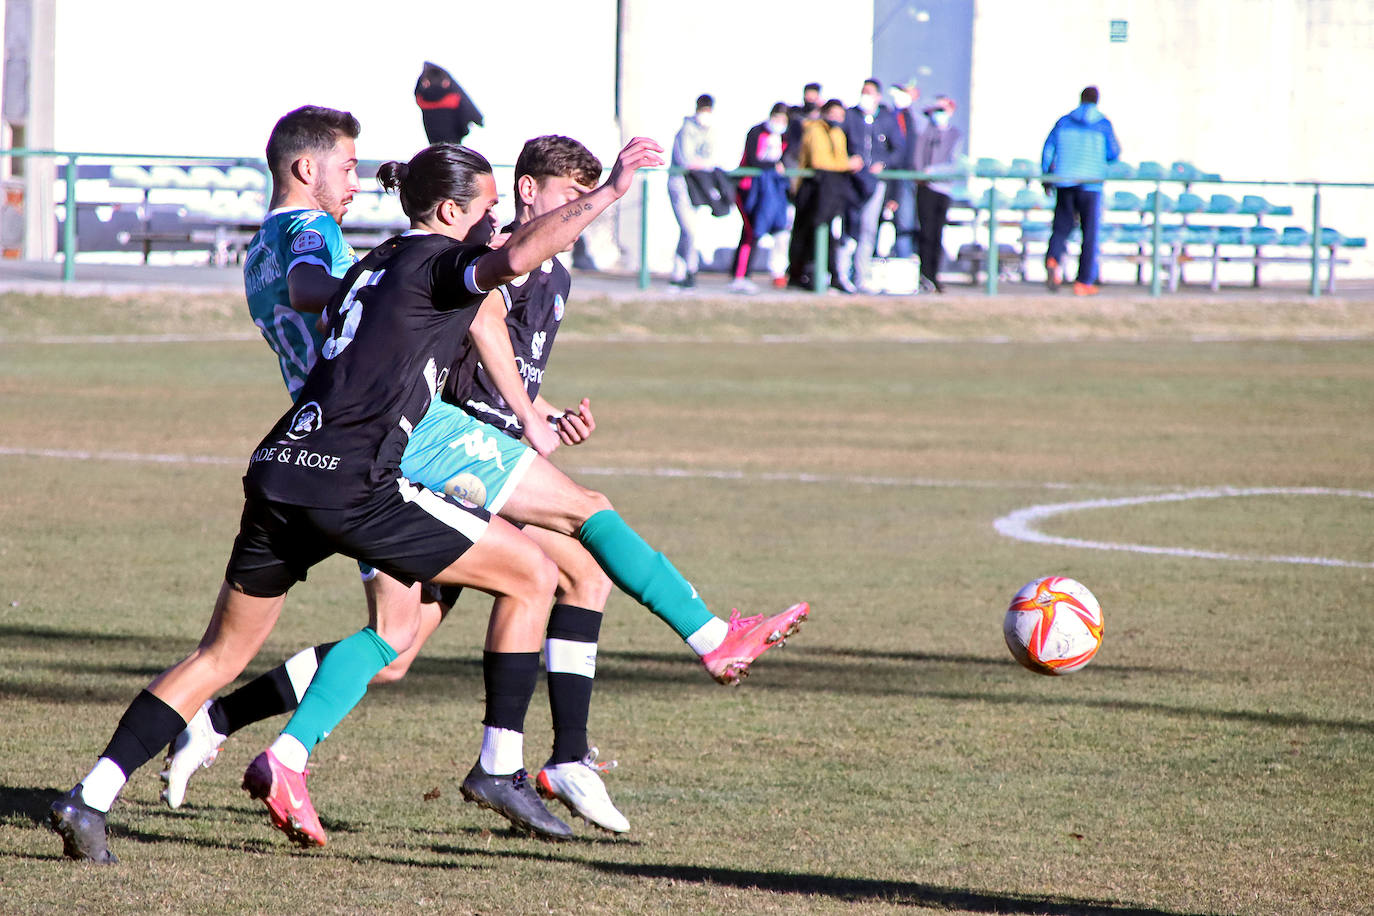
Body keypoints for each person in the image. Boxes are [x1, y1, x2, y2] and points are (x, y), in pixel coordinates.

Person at [157, 136, 810, 837]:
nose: (577, 214)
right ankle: (671, 668)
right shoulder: (446, 245)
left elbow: (451, 329)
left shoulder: (436, 255)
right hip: (413, 440)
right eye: (567, 199)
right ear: (524, 195)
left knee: (398, 642)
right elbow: (475, 317)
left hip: (377, 439)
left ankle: (245, 730)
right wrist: (611, 195)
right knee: (567, 547)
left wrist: (535, 410)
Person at [47, 135, 666, 864]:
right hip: (354, 482)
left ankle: (89, 797)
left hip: (284, 463)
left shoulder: (372, 259)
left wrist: (530, 412)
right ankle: (494, 764)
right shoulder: (441, 261)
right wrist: (612, 192)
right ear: (447, 211)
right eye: (489, 212)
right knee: (530, 574)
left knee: (222, 653)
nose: (497, 227)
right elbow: (518, 258)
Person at [1042, 85, 1121, 296]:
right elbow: (1114, 152)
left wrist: (1047, 176)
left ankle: (1053, 258)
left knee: (1061, 227)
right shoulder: (1103, 124)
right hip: (1091, 184)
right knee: (1090, 233)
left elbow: (1048, 149)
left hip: (1065, 180)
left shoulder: (1064, 121)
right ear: (1097, 101)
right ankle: (1083, 282)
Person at [787, 99, 860, 290]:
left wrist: (847, 164)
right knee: (805, 233)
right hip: (812, 190)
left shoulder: (838, 133)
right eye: (834, 114)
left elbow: (839, 158)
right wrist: (848, 165)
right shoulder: (814, 130)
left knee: (828, 234)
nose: (837, 119)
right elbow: (820, 161)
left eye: (841, 115)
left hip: (831, 191)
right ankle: (799, 275)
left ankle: (832, 276)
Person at [838, 79, 900, 294]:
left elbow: (898, 149)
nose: (865, 96)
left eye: (870, 93)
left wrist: (884, 163)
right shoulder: (851, 116)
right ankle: (841, 276)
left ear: (878, 96)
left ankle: (861, 276)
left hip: (875, 182)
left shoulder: (887, 119)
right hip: (852, 180)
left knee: (868, 227)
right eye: (863, 92)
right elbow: (840, 143)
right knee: (848, 226)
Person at [728, 103, 792, 293]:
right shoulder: (756, 132)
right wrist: (773, 165)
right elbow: (754, 159)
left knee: (778, 230)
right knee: (751, 231)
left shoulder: (784, 137)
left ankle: (773, 273)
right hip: (749, 188)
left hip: (771, 190)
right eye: (777, 118)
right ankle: (740, 275)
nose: (779, 123)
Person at [912, 95, 965, 294]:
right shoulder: (925, 132)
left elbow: (954, 162)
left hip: (944, 189)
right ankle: (924, 274)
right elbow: (918, 159)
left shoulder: (955, 135)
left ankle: (934, 274)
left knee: (937, 233)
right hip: (926, 188)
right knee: (925, 233)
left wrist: (933, 171)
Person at [667, 94, 716, 289]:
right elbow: (686, 160)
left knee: (687, 231)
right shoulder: (686, 131)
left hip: (696, 186)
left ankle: (678, 272)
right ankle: (691, 269)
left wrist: (703, 165)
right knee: (689, 229)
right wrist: (702, 164)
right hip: (680, 185)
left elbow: (712, 158)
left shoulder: (710, 131)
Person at [884, 79, 921, 260]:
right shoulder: (886, 115)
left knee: (905, 223)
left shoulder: (912, 119)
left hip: (905, 176)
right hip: (885, 174)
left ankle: (904, 262)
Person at [415, 61, 484, 145]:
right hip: (454, 140)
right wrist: (473, 123)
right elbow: (466, 108)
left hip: (433, 140)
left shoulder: (422, 99)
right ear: (446, 83)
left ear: (426, 83)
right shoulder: (453, 97)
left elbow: (417, 91)